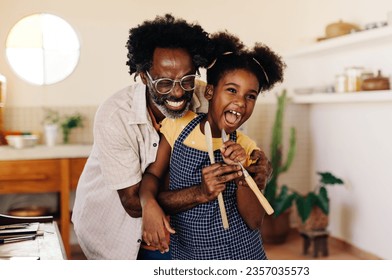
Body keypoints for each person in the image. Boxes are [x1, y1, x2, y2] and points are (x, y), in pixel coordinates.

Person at [72, 14, 272, 260]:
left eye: (187, 79)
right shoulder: (115, 115)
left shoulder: (206, 94)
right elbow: (134, 203)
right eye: (164, 83)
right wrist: (200, 192)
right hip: (116, 227)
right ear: (144, 77)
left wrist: (260, 166)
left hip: (177, 236)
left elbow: (236, 136)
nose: (178, 92)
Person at [139, 32, 286, 259]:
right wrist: (148, 204)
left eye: (251, 96)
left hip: (244, 254)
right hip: (191, 256)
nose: (240, 102)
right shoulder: (178, 126)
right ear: (209, 92)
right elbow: (153, 176)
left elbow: (255, 220)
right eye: (231, 90)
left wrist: (241, 175)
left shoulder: (246, 147)